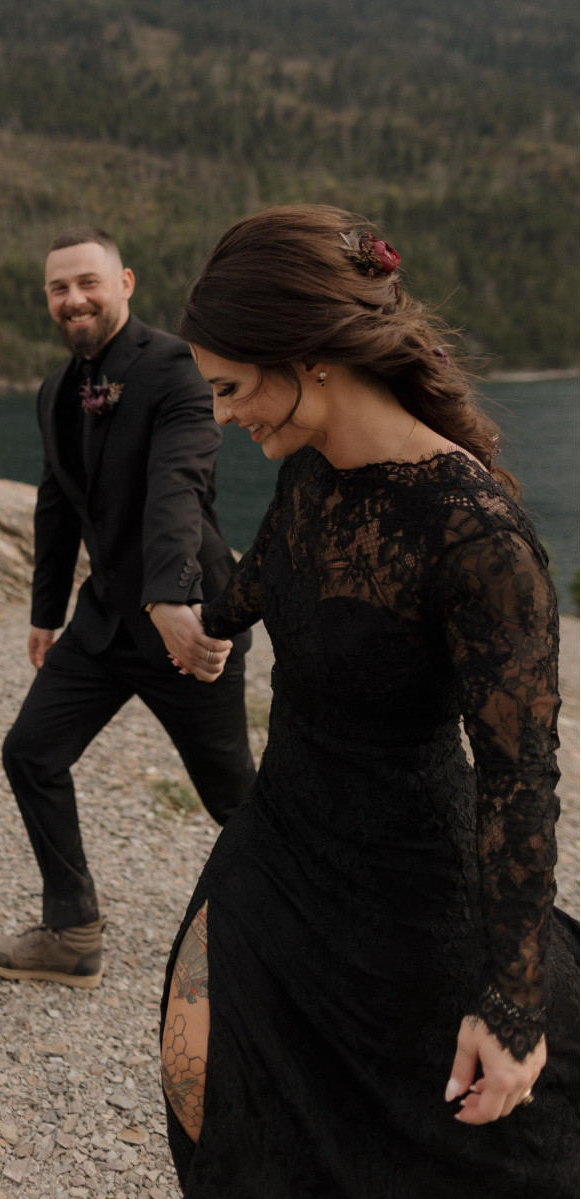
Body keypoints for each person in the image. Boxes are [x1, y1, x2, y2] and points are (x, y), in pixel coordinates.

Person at [159, 205, 579, 1196]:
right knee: (207, 1099)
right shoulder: (309, 469)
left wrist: (512, 1006)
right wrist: (200, 616)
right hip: (277, 846)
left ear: (306, 356)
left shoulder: (477, 534)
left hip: (408, 892)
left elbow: (519, 778)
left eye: (226, 387)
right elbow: (268, 576)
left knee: (429, 1154)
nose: (219, 416)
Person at [0, 227, 255, 990]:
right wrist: (44, 611)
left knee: (236, 798)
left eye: (88, 282)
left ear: (124, 282)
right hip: (102, 621)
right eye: (59, 288)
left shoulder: (177, 368)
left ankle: (316, 931)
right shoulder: (56, 391)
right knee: (29, 752)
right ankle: (71, 932)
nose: (74, 299)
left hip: (187, 623)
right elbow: (57, 507)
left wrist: (171, 594)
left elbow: (178, 486)